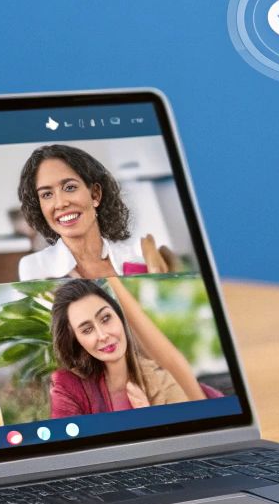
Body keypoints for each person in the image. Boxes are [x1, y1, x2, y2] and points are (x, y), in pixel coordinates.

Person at [47, 277, 220, 418]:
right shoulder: (68, 386)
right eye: (87, 329)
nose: (103, 335)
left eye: (106, 318)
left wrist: (148, 415)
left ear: (120, 317)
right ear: (76, 340)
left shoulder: (160, 379)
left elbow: (189, 438)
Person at [15, 144, 171, 280]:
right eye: (47, 194)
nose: (61, 203)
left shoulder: (137, 257)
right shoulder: (35, 267)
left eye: (70, 187)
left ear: (95, 194)